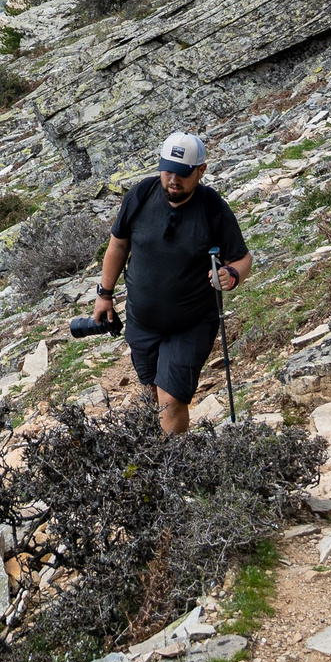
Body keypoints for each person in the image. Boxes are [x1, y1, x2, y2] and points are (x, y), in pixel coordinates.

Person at [94, 130, 252, 434]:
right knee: (151, 393)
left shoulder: (211, 208)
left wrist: (231, 276)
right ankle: (160, 457)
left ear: (201, 171)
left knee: (172, 399)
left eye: (182, 173)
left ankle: (177, 466)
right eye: (167, 170)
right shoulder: (140, 195)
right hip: (142, 321)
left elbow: (243, 259)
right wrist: (105, 294)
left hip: (191, 324)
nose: (173, 180)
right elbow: (118, 245)